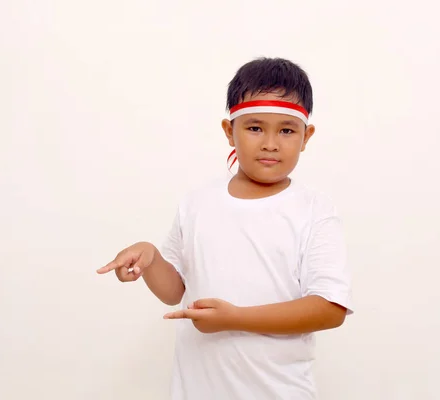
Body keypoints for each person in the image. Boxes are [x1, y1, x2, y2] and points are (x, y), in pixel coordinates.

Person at [96, 57, 353, 400]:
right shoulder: (197, 204)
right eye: (255, 127)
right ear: (228, 130)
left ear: (307, 136)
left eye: (287, 130)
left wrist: (235, 318)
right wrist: (151, 258)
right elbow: (176, 292)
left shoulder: (314, 212)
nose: (270, 143)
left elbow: (329, 308)